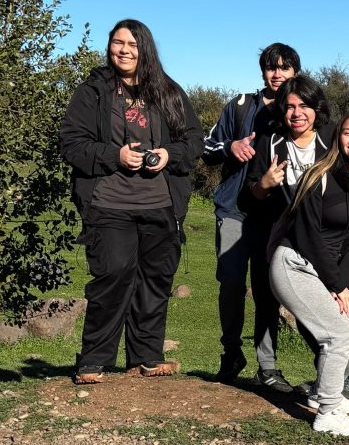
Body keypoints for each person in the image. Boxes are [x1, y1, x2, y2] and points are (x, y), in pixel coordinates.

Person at [59, 19, 202, 383]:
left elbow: (193, 141)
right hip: (109, 203)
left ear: (145, 49)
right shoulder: (93, 92)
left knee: (155, 279)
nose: (123, 50)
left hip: (161, 204)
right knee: (113, 275)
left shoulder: (168, 91)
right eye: (117, 43)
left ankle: (147, 357)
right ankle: (94, 359)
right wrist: (115, 156)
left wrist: (169, 155)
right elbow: (71, 144)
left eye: (132, 44)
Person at [269, 114, 349, 438]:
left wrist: (344, 289)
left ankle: (322, 391)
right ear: (337, 139)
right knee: (336, 337)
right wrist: (335, 285)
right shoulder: (318, 175)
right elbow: (308, 236)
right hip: (294, 264)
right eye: (347, 133)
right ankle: (327, 412)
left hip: (327, 274)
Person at [203, 43, 300, 382]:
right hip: (234, 209)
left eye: (285, 68)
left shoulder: (298, 110)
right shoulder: (241, 106)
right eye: (272, 67)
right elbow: (207, 146)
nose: (278, 74)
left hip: (274, 215)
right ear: (263, 72)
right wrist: (230, 146)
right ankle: (231, 354)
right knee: (230, 283)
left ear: (295, 73)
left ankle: (268, 366)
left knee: (267, 289)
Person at [239, 74, 332, 393]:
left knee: (316, 304)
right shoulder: (272, 142)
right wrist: (263, 185)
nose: (297, 113)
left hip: (320, 239)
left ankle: (330, 371)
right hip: (275, 234)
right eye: (290, 106)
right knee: (266, 297)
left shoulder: (331, 140)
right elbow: (250, 194)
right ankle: (267, 368)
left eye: (304, 105)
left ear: (316, 108)